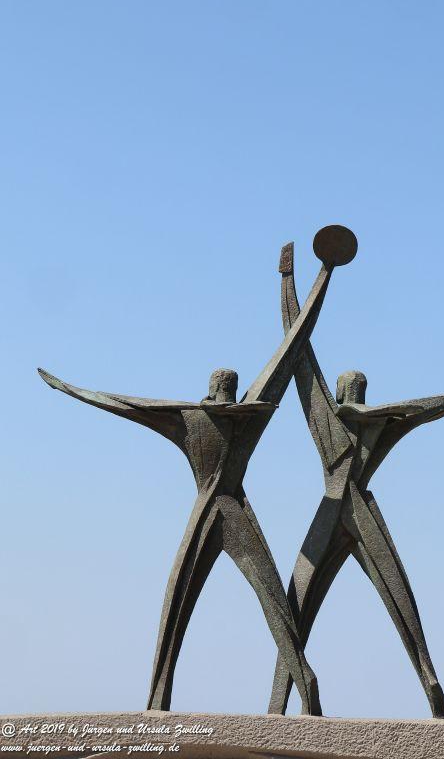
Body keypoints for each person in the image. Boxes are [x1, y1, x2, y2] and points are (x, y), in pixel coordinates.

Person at [38, 226, 357, 715]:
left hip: (208, 509)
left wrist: (71, 389)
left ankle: (159, 698)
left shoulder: (191, 418)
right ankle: (301, 683)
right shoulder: (249, 413)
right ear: (233, 390)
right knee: (272, 604)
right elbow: (294, 347)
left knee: (179, 605)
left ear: (209, 391)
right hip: (237, 511)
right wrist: (314, 277)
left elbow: (124, 404)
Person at [268, 242, 444, 718]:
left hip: (332, 510)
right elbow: (438, 404)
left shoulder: (329, 418)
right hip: (363, 512)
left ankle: (279, 703)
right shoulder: (388, 419)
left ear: (338, 391)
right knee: (400, 608)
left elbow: (297, 347)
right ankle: (430, 686)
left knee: (295, 609)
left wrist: (294, 279)